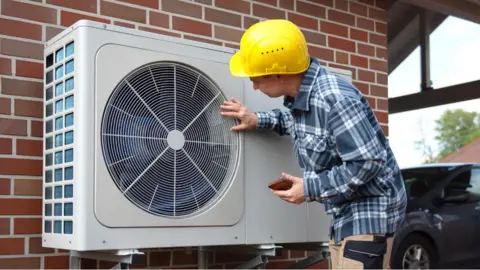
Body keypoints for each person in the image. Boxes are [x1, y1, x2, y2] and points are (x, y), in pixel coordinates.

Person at [219, 19, 407, 269]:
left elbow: (367, 162)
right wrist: (257, 119)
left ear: (278, 72)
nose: (253, 85)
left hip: (370, 211)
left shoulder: (335, 98)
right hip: (344, 212)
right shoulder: (305, 97)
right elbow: (303, 124)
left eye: (257, 79)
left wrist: (308, 188)